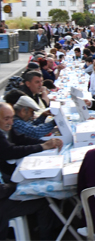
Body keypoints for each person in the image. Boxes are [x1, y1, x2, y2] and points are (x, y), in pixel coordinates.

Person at [0, 102, 60, 240]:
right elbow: (10, 152)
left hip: (6, 187)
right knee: (43, 200)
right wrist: (17, 187)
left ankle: (37, 228)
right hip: (3, 203)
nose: (10, 122)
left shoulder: (8, 129)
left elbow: (21, 139)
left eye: (11, 118)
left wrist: (43, 145)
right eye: (6, 119)